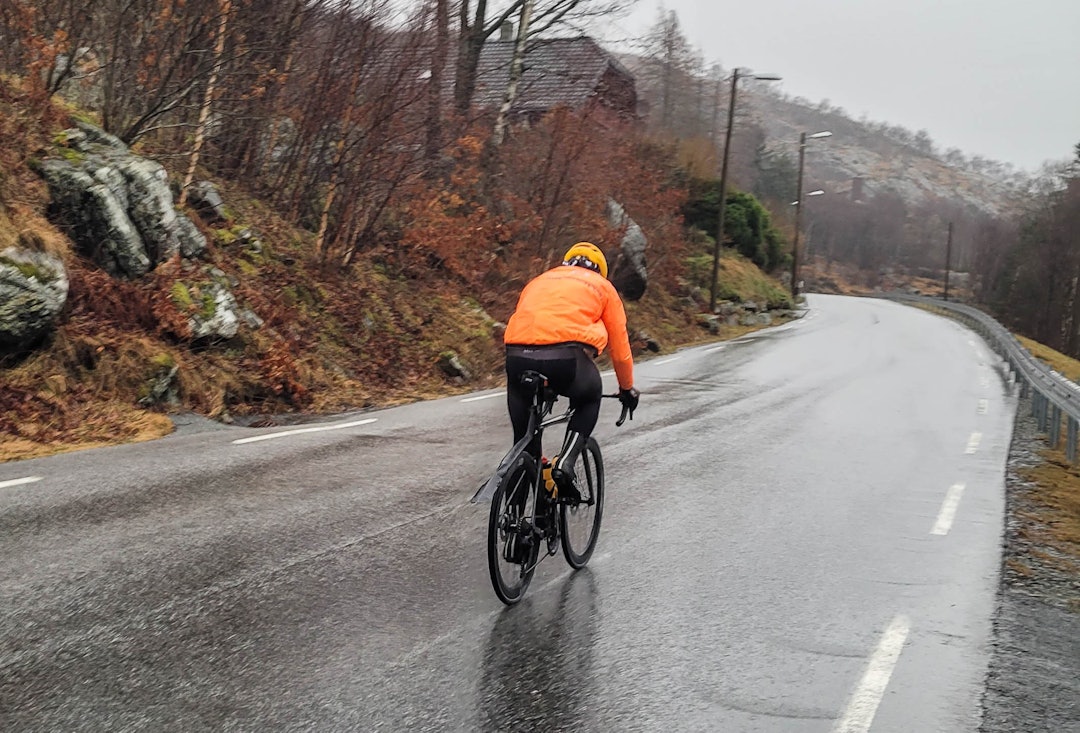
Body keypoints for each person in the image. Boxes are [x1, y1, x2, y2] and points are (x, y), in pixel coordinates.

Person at [502, 242, 640, 501]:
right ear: (599, 270)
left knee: (523, 443)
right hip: (565, 359)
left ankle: (515, 529)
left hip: (517, 358)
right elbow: (620, 348)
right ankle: (565, 463)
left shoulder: (538, 281)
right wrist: (626, 388)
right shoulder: (602, 286)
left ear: (567, 262)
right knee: (590, 396)